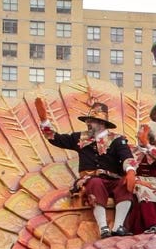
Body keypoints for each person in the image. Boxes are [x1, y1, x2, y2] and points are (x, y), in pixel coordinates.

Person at [39, 101, 133, 237]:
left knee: (124, 185)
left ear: (101, 123)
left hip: (113, 180)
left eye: (92, 121)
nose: (88, 123)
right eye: (88, 120)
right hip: (91, 180)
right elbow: (55, 138)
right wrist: (44, 121)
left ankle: (118, 226)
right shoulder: (80, 138)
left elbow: (126, 156)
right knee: (95, 183)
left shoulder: (117, 140)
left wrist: (130, 171)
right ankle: (103, 228)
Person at [124, 125, 156, 236]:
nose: (140, 137)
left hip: (155, 182)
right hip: (138, 180)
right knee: (143, 190)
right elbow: (127, 164)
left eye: (143, 135)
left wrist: (147, 144)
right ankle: (152, 224)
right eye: (139, 135)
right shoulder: (132, 150)